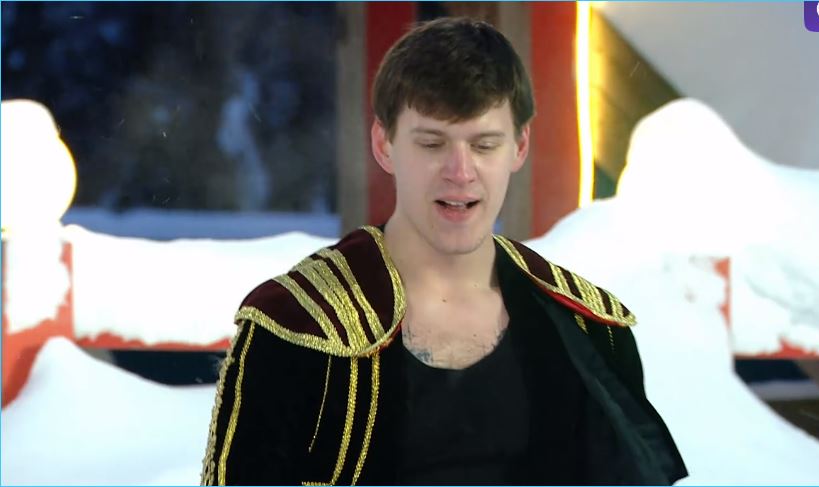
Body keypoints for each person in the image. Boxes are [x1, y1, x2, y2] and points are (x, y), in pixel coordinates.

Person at [201, 17, 687, 486]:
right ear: (384, 144)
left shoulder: (591, 331)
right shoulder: (295, 327)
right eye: (433, 144)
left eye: (484, 145)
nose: (460, 172)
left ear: (519, 147)